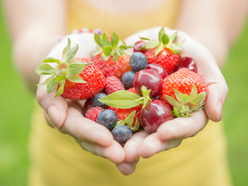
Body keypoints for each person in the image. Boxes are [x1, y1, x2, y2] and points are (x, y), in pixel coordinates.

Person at [3, 0, 248, 185]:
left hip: (189, 169)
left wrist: (194, 53)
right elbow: (28, 44)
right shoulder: (104, 84)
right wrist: (60, 58)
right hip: (66, 168)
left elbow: (212, 32)